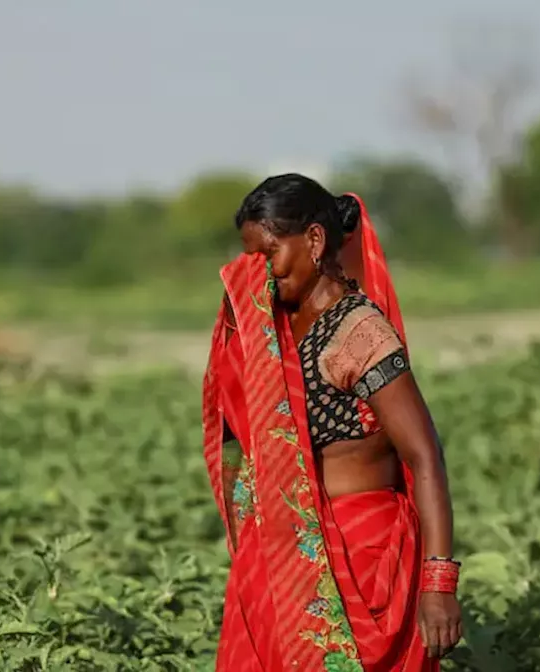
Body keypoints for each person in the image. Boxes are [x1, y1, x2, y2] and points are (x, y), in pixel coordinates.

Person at [201, 174, 462, 671]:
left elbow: (424, 455)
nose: (260, 273)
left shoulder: (358, 332)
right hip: (284, 564)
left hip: (360, 563)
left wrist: (438, 583)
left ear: (315, 241)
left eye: (269, 254)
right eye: (250, 259)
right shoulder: (275, 333)